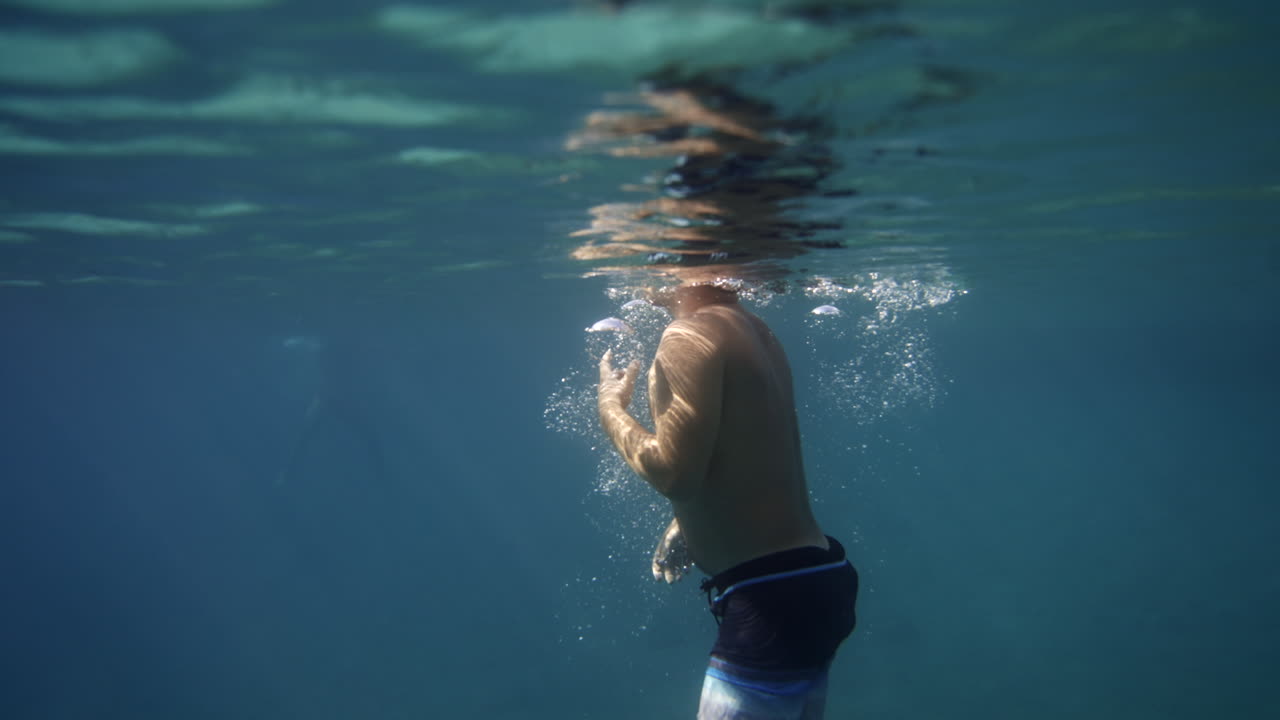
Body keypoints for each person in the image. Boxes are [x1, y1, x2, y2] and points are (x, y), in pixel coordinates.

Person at [597, 282, 859, 719]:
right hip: (817, 577)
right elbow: (750, 448)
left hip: (771, 600)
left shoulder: (686, 335)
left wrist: (609, 408)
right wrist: (688, 521)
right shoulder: (753, 328)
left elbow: (674, 474)